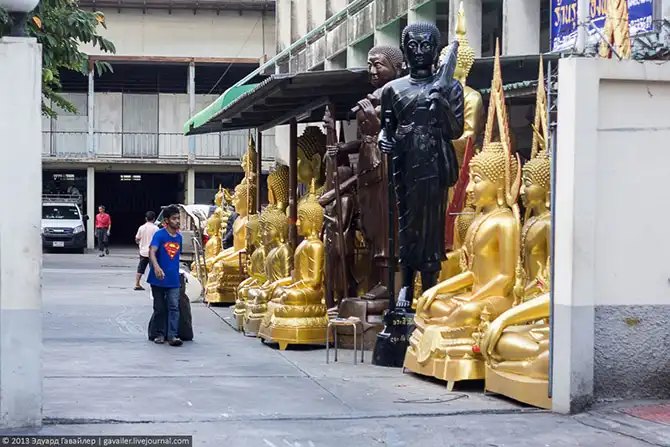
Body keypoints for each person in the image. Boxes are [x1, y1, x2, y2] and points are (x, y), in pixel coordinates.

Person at [147, 205, 183, 347]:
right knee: (160, 308)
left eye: (178, 218)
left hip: (173, 279)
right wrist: (156, 267)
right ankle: (159, 334)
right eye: (174, 218)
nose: (177, 221)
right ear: (166, 220)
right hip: (158, 278)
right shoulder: (159, 235)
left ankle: (172, 335)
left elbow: (175, 258)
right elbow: (152, 251)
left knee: (174, 307)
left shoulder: (179, 238)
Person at [134, 211, 159, 291]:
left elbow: (137, 239)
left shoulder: (141, 228)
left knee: (140, 268)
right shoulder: (156, 229)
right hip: (153, 253)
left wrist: (140, 243)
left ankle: (137, 284)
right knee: (154, 268)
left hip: (143, 252)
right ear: (154, 219)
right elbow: (159, 240)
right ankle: (154, 285)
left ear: (146, 218)